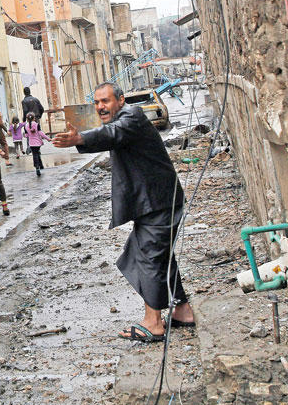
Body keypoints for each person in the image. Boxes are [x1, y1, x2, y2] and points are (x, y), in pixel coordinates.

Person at [53, 82, 194, 343]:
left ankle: (153, 322)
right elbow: (111, 133)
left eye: (105, 101)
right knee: (158, 255)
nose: (100, 107)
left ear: (120, 100)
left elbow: (113, 133)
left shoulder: (132, 116)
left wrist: (80, 138)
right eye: (96, 102)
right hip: (155, 202)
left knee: (149, 257)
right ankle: (182, 310)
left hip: (158, 201)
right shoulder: (124, 119)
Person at [24, 112, 51, 177]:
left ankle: (38, 167)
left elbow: (26, 135)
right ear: (34, 118)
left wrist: (25, 134)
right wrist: (48, 138)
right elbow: (40, 133)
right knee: (37, 153)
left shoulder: (26, 126)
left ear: (27, 119)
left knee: (35, 154)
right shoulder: (36, 124)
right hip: (37, 143)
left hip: (31, 143)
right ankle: (39, 166)